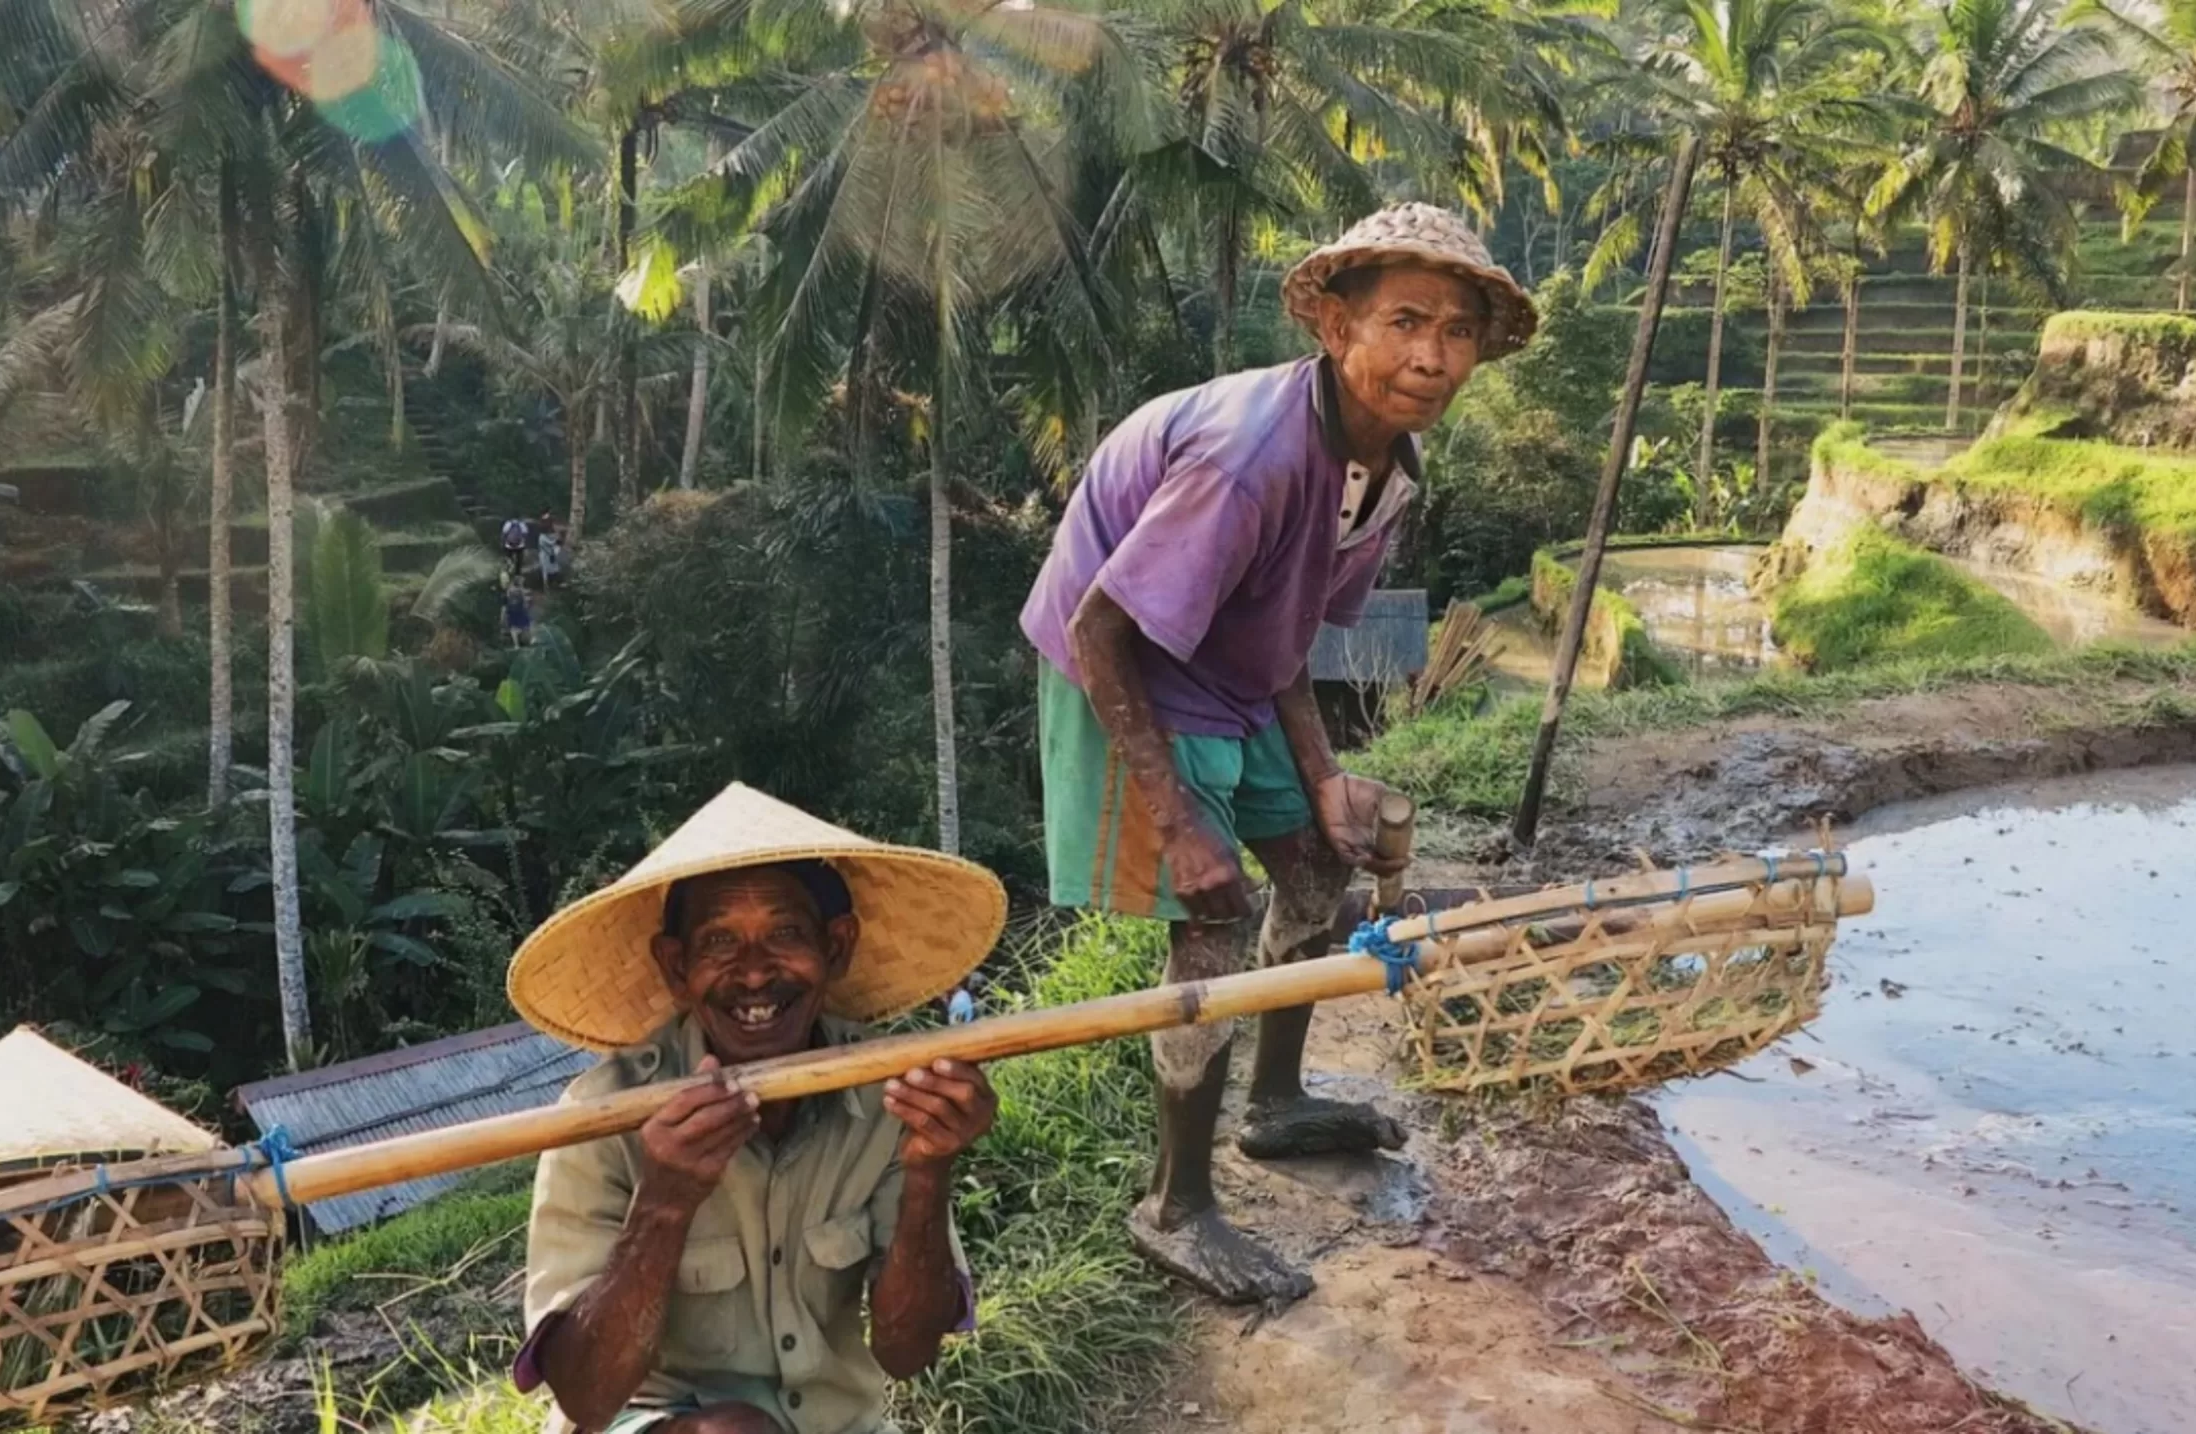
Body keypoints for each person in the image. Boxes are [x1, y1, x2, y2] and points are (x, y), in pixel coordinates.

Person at [1019, 202, 1535, 1304]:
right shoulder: (1250, 459)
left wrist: (1322, 778)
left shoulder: (1387, 464)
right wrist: (1178, 819)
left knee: (1314, 866)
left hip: (1228, 663)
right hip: (1131, 671)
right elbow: (1100, 630)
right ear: (1337, 325)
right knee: (1207, 920)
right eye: (1403, 320)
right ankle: (1175, 1205)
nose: (1430, 355)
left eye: (1456, 331)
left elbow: (1288, 624)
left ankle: (1275, 1102)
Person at [510, 783, 1006, 1434]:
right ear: (676, 965)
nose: (753, 973)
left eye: (784, 934)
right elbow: (586, 1398)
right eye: (719, 943)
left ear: (835, 947)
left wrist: (929, 1170)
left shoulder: (889, 1092)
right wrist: (664, 1202)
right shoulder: (603, 1117)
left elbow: (906, 1353)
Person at [504, 578, 535, 648]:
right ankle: (531, 640)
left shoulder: (509, 590)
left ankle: (516, 645)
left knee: (513, 629)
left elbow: (507, 600)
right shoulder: (520, 591)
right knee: (529, 624)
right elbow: (524, 602)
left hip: (511, 611)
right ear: (519, 583)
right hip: (520, 611)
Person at [537, 516, 566, 588]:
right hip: (546, 555)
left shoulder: (546, 535)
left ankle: (554, 583)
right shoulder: (543, 537)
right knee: (546, 570)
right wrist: (559, 537)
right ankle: (546, 585)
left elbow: (556, 542)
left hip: (550, 554)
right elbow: (553, 543)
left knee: (554, 568)